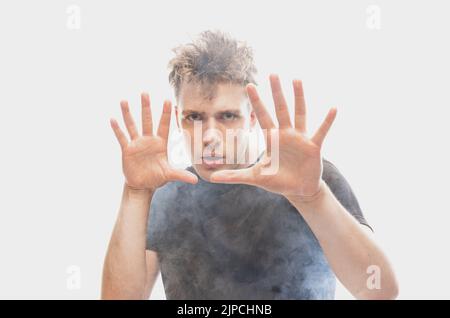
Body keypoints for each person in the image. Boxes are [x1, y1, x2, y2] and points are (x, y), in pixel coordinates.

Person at [101, 30, 398, 299]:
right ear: (180, 120)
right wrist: (136, 193)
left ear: (251, 118)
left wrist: (312, 198)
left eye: (227, 116)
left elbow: (379, 290)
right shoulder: (167, 195)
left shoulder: (308, 178)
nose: (210, 136)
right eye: (195, 117)